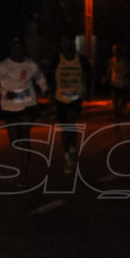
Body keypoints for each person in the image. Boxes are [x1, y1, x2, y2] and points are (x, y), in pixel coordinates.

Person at [0, 37, 48, 187]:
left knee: (25, 136)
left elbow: (40, 78)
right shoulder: (3, 66)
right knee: (15, 141)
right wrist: (5, 92)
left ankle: (24, 174)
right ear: (11, 50)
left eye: (20, 47)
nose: (17, 51)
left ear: (23, 49)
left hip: (28, 104)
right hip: (10, 106)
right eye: (14, 48)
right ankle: (21, 166)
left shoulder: (30, 64)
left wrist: (45, 90)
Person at [52, 36, 89, 175]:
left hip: (75, 97)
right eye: (65, 43)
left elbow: (88, 74)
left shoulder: (81, 59)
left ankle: (72, 151)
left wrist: (87, 91)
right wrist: (50, 92)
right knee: (65, 128)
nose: (67, 46)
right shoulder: (57, 59)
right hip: (60, 97)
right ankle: (68, 154)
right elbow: (51, 75)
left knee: (70, 122)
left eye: (69, 43)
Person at [105, 44, 130, 119]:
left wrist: (126, 75)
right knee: (115, 104)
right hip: (114, 84)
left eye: (116, 50)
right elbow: (109, 71)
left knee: (120, 104)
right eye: (113, 50)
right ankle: (117, 118)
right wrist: (106, 78)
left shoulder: (124, 60)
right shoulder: (111, 60)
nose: (115, 52)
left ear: (119, 51)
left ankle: (119, 114)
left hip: (123, 84)